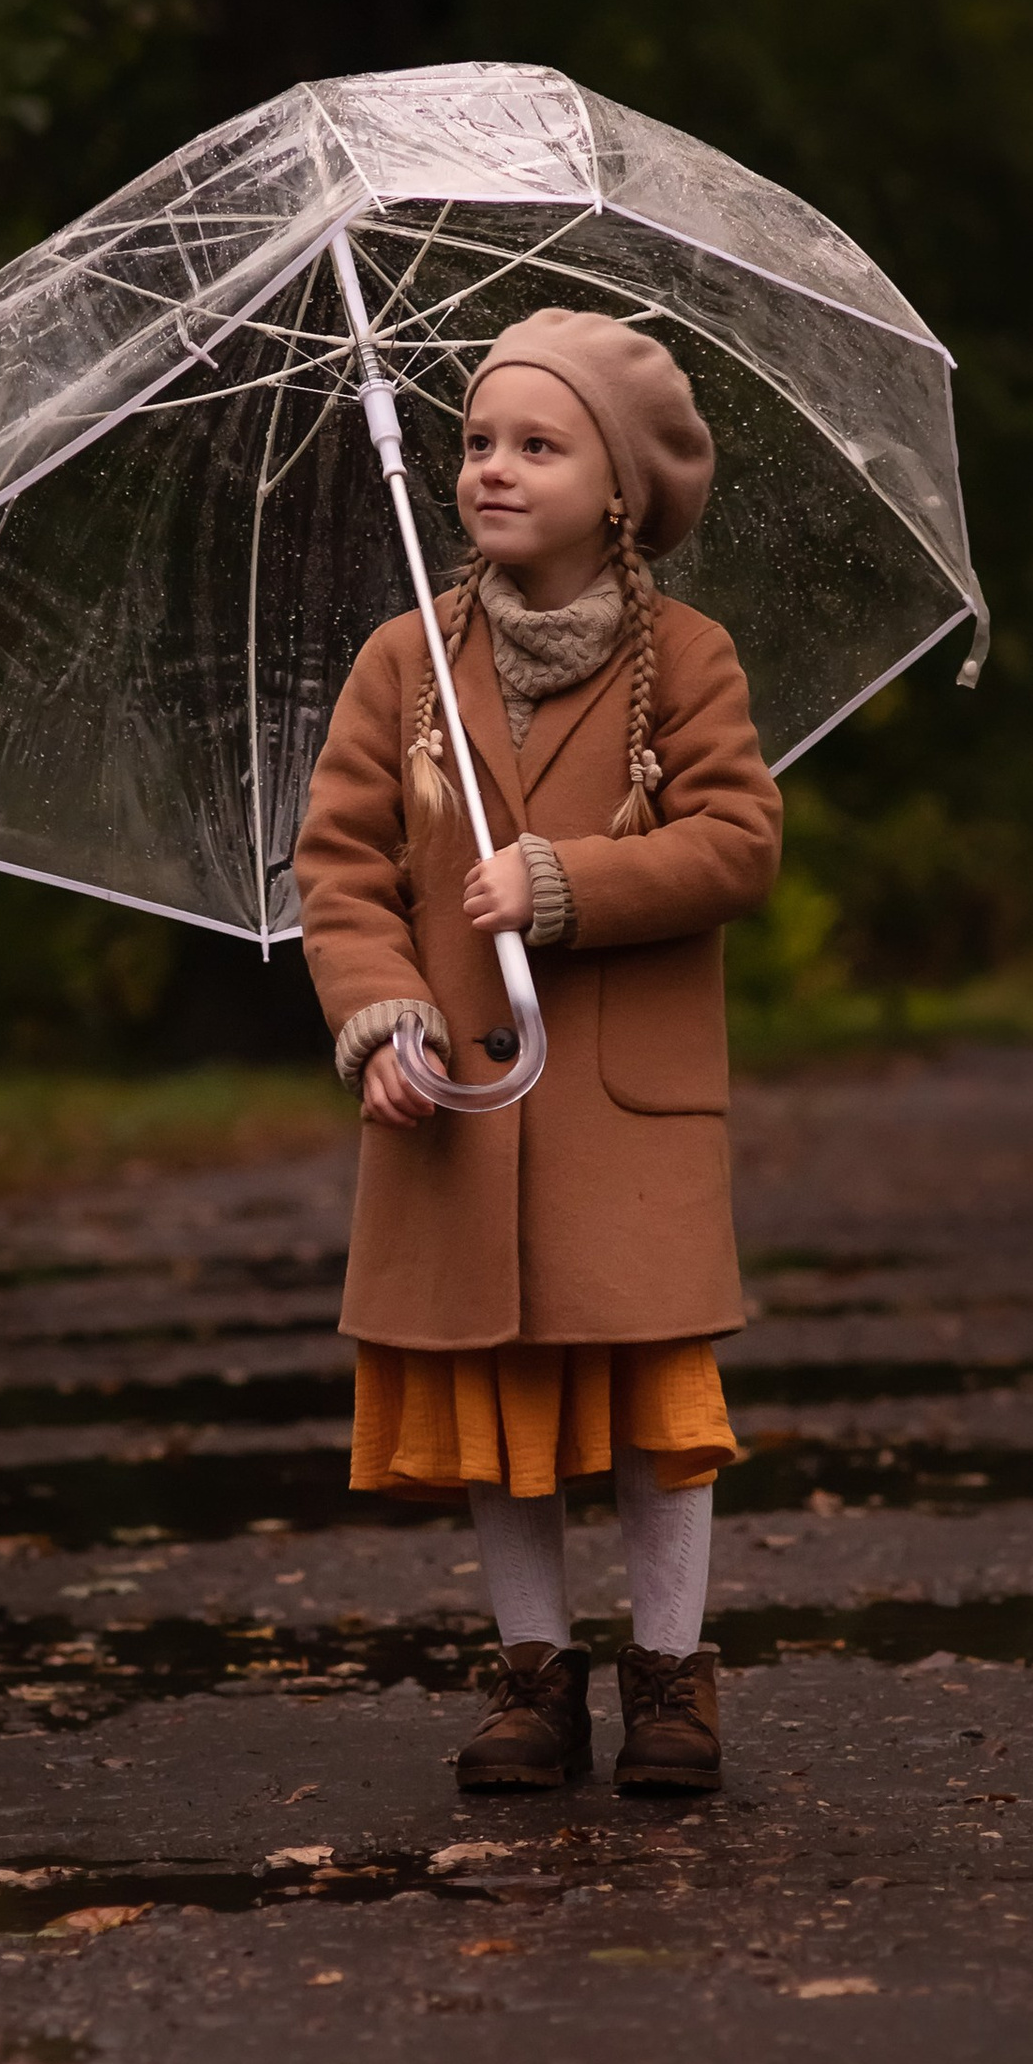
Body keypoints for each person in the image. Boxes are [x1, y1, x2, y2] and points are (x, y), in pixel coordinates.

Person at [295, 308, 781, 1794]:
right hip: (461, 1100)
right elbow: (341, 872)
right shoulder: (406, 661)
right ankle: (532, 1675)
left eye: (536, 444)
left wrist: (562, 882)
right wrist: (381, 1011)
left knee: (648, 1400)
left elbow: (738, 842)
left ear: (619, 490)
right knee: (488, 1391)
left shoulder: (684, 657)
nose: (493, 469)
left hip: (620, 1112)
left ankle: (672, 1677)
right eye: (476, 442)